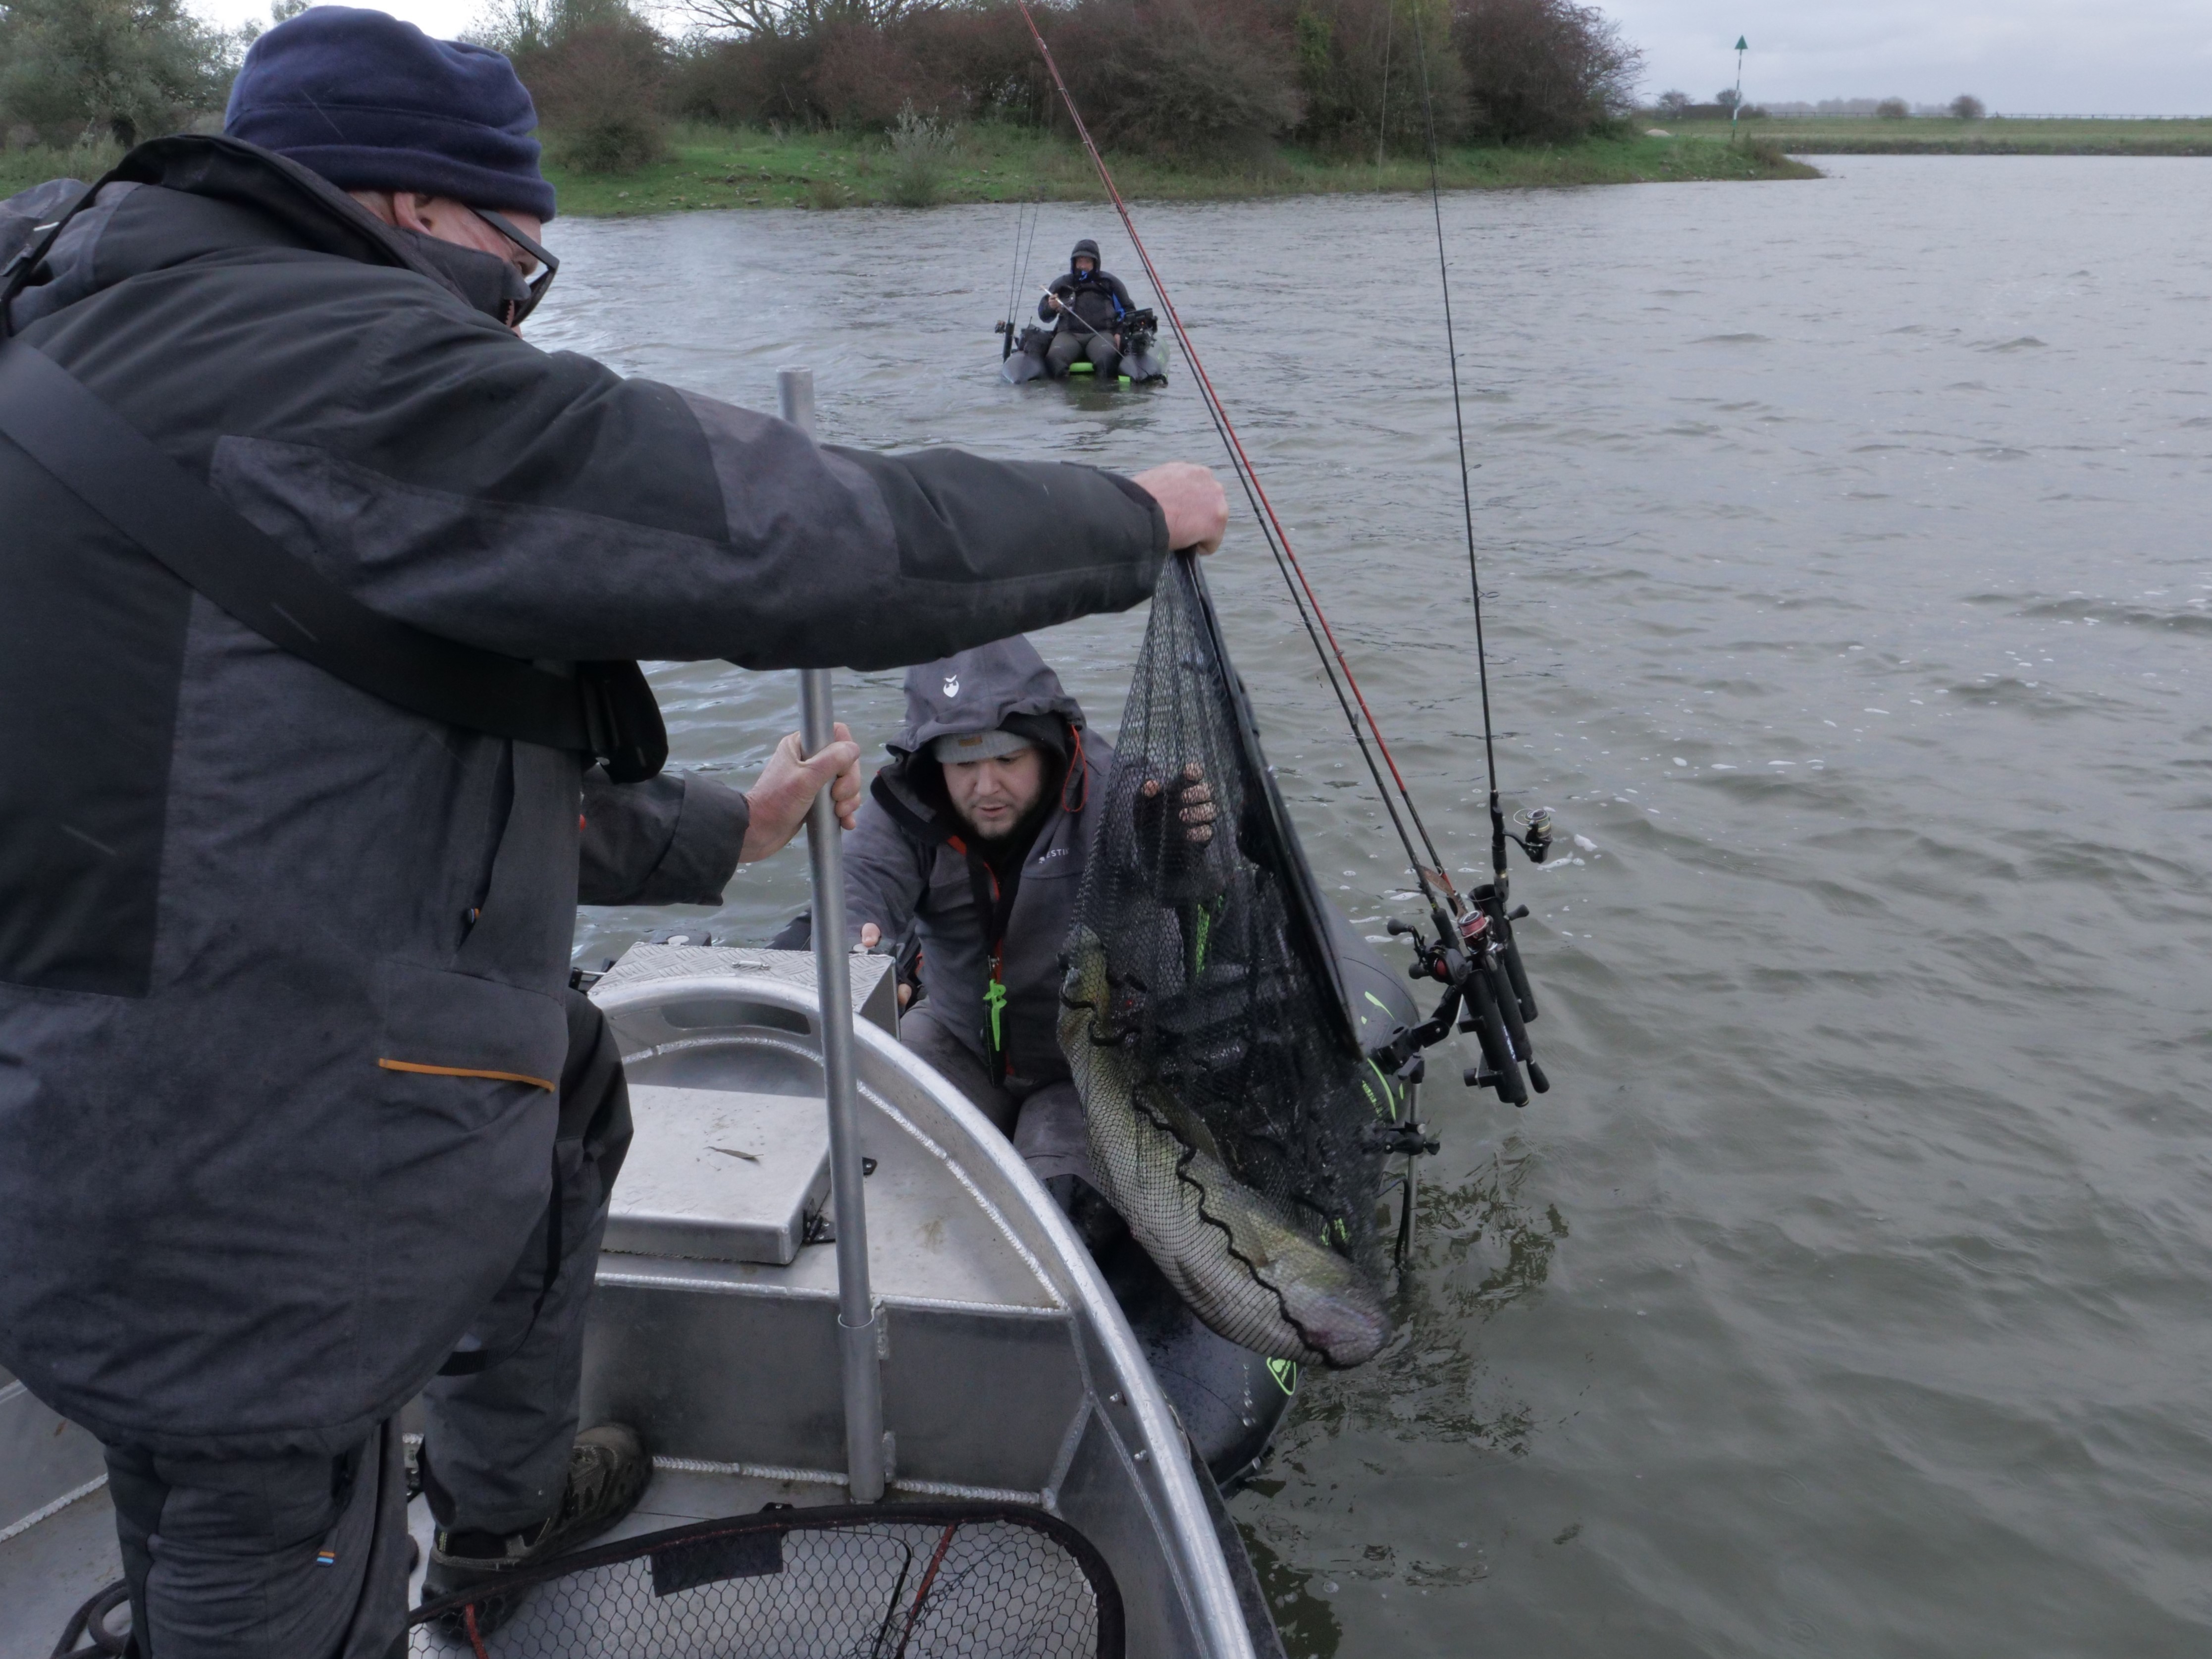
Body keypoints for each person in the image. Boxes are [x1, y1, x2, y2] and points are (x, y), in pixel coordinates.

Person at [0, 8, 1228, 1657]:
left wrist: (723, 827)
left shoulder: (75, 329)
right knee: (259, 1519)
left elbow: (306, 756)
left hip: (75, 1072)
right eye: (520, 272)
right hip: (236, 1157)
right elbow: (789, 528)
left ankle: (498, 1505)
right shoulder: (334, 363)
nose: (513, 317)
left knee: (562, 1080)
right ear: (416, 210)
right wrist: (1127, 517)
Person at [824, 637, 1214, 1222]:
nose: (985, 788)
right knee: (883, 1154)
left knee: (1053, 1206)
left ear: (1047, 748)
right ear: (932, 763)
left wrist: (1179, 849)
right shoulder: (902, 807)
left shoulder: (1117, 789)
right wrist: (859, 953)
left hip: (1088, 1066)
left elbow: (1195, 875)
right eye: (963, 764)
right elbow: (857, 897)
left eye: (1007, 760)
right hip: (958, 1035)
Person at [1040, 238, 1139, 382]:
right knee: (1055, 357)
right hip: (1069, 334)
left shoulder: (1110, 283)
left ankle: (1103, 392)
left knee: (1106, 356)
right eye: (1079, 261)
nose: (1083, 266)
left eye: (1087, 261)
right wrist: (1051, 307)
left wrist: (1119, 332)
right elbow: (1044, 316)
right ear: (1074, 263)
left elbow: (1129, 311)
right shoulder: (1062, 284)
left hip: (1101, 334)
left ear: (1095, 262)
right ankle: (1064, 393)